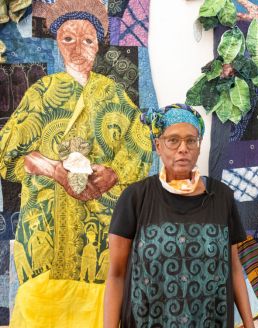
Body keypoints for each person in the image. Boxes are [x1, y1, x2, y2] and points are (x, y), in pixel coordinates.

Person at [0, 0, 152, 326]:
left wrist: (113, 173)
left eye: (87, 40)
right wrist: (54, 170)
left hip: (101, 236)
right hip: (46, 232)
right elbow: (8, 156)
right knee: (39, 306)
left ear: (98, 45)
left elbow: (141, 150)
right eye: (68, 39)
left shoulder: (114, 95)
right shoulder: (41, 93)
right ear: (57, 42)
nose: (78, 48)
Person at [104, 104, 255, 328]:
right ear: (158, 145)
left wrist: (249, 325)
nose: (182, 148)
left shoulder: (221, 197)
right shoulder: (136, 198)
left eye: (190, 140)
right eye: (173, 140)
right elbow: (117, 274)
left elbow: (233, 268)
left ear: (199, 146)